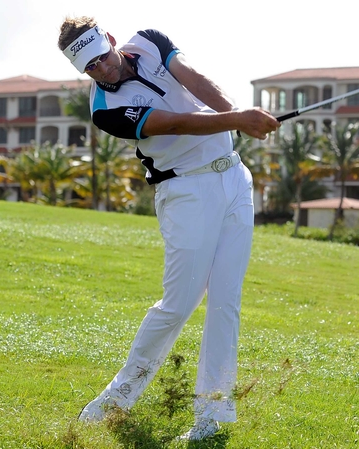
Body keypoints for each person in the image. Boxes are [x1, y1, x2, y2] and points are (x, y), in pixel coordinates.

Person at [57, 16, 280, 441]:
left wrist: (237, 114)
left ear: (109, 40)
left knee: (225, 302)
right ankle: (116, 398)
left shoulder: (150, 41)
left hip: (235, 179)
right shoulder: (106, 111)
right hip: (186, 194)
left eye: (102, 58)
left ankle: (212, 414)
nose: (102, 70)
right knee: (178, 305)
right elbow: (173, 123)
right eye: (90, 68)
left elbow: (196, 81)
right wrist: (238, 120)